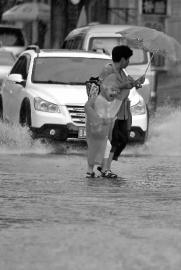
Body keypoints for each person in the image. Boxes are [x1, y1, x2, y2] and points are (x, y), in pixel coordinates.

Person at [97, 45, 145, 177]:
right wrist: (123, 85)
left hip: (123, 111)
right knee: (113, 139)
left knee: (122, 139)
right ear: (122, 59)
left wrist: (137, 83)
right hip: (111, 109)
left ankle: (105, 165)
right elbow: (104, 88)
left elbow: (130, 83)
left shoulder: (123, 72)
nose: (129, 62)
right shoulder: (108, 70)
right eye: (128, 59)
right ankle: (105, 168)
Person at [84, 74, 122, 178]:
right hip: (95, 127)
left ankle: (92, 171)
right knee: (101, 146)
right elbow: (87, 107)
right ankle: (98, 170)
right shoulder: (97, 99)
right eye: (112, 90)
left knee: (104, 146)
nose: (114, 93)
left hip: (102, 128)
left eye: (116, 91)